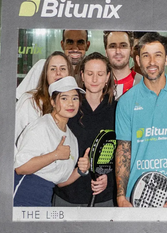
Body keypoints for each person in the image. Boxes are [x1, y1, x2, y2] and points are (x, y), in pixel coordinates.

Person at [115, 33, 167, 207]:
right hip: (137, 197)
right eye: (146, 56)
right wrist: (121, 197)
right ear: (138, 60)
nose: (152, 62)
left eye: (158, 55)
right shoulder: (126, 101)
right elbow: (123, 150)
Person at [13, 77, 91, 207]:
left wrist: (80, 171)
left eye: (75, 98)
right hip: (23, 193)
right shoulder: (41, 126)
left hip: (45, 198)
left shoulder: (72, 138)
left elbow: (60, 181)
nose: (71, 103)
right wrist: (55, 155)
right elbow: (21, 168)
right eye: (64, 98)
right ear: (53, 102)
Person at [58, 52, 115, 207]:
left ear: (107, 77)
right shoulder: (69, 107)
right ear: (82, 76)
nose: (94, 79)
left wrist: (109, 178)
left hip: (104, 198)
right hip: (68, 195)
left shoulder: (117, 110)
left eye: (100, 74)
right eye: (90, 74)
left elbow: (123, 153)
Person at [16, 30, 91, 99]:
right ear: (62, 45)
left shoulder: (92, 72)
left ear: (87, 45)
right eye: (70, 42)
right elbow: (19, 99)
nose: (75, 48)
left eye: (80, 42)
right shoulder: (42, 66)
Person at [14, 51, 70, 143]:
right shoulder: (30, 101)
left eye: (63, 69)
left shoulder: (74, 104)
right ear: (45, 74)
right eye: (53, 69)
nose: (58, 73)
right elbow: (12, 138)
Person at [105, 30, 137, 96]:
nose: (118, 51)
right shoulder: (96, 83)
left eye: (123, 46)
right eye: (113, 46)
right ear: (106, 51)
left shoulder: (143, 83)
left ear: (131, 50)